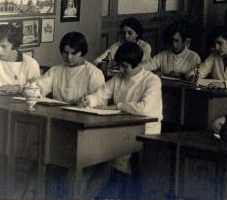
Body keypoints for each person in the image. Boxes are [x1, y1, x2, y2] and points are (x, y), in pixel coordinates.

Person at [81, 42, 162, 174]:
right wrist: (88, 100)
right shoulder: (119, 77)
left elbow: (145, 108)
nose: (121, 70)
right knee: (96, 151)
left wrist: (118, 106)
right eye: (119, 66)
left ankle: (119, 181)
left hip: (146, 130)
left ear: (137, 64)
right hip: (122, 126)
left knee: (115, 154)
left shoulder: (152, 80)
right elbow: (101, 94)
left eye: (125, 66)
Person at [34, 32, 106, 104]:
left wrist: (88, 102)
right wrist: (34, 91)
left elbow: (101, 100)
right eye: (65, 52)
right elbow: (39, 87)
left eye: (74, 53)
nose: (69, 57)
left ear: (82, 52)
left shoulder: (93, 73)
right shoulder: (56, 70)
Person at [0, 24, 40, 92]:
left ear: (14, 44)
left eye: (4, 46)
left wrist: (18, 88)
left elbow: (37, 89)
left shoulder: (30, 63)